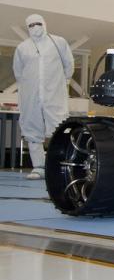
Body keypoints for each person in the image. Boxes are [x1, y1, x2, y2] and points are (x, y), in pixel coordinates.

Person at [12, 14, 74, 180]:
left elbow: (68, 65)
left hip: (54, 94)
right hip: (31, 96)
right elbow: (18, 73)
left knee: (59, 127)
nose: (35, 27)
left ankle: (60, 166)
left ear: (45, 24)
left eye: (38, 23)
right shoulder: (22, 48)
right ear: (27, 28)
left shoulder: (58, 42)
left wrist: (62, 82)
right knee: (32, 129)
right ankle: (38, 167)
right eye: (31, 25)